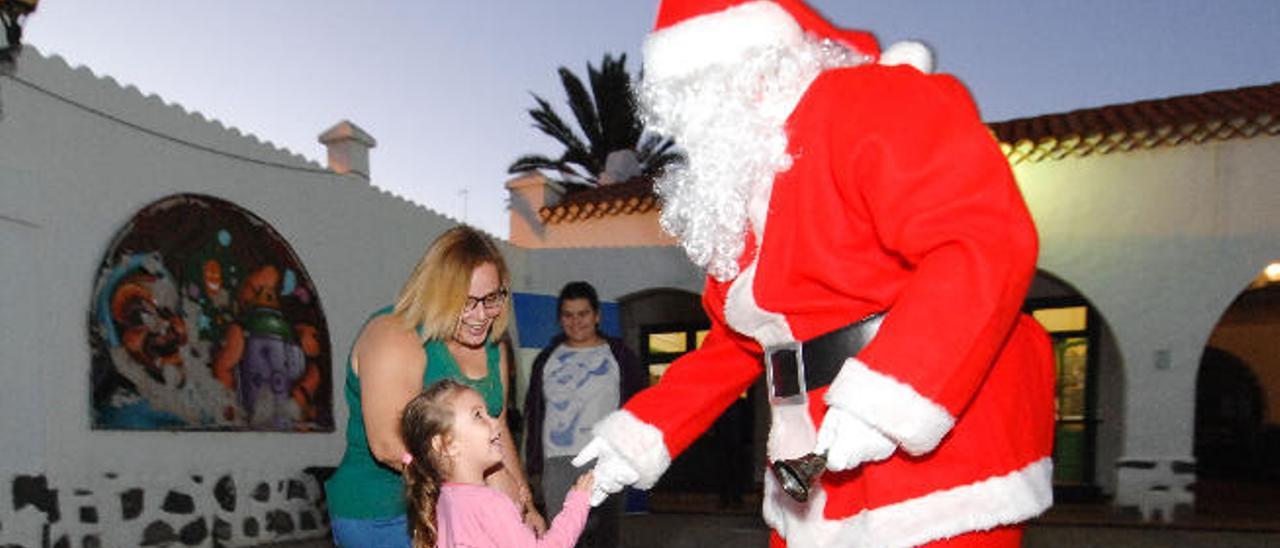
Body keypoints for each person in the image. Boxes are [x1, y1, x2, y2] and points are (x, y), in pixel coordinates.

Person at [571, 1, 1057, 547]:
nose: (696, 110)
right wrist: (640, 435)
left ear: (761, 56)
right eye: (681, 93)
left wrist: (891, 394)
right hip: (809, 459)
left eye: (705, 80)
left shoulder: (868, 103)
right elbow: (735, 347)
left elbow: (979, 238)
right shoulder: (740, 194)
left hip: (939, 461)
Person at [325, 226, 546, 547]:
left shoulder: (491, 345)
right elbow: (390, 445)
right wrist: (494, 479)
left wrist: (523, 508)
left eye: (492, 298)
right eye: (466, 302)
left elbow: (495, 423)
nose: (481, 315)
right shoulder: (394, 335)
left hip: (461, 505)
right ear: (436, 293)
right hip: (384, 513)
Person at [523, 281, 647, 548]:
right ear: (559, 319)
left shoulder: (621, 356)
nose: (575, 321)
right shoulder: (546, 359)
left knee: (606, 538)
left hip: (606, 460)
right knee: (563, 538)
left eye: (583, 314)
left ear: (597, 316)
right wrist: (533, 465)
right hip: (557, 463)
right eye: (568, 315)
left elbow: (641, 408)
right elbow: (534, 413)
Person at [401, 380, 594, 548]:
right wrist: (577, 503)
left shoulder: (444, 498)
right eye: (478, 415)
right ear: (447, 444)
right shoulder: (490, 503)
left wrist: (517, 518)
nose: (494, 421)